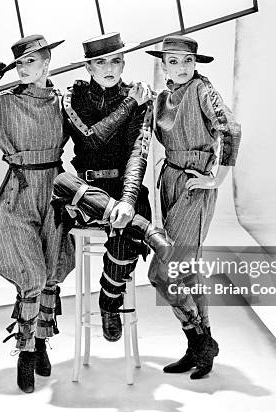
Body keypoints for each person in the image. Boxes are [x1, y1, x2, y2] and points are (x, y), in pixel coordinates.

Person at [0, 34, 74, 393]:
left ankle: (41, 342)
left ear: (47, 62)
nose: (24, 68)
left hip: (56, 187)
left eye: (31, 61)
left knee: (52, 270)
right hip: (19, 189)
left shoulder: (62, 102)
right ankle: (24, 352)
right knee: (32, 274)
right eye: (19, 63)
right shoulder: (4, 103)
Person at [51, 32, 173, 343]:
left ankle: (109, 302)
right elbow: (92, 138)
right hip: (84, 192)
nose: (109, 68)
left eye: (116, 61)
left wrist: (129, 200)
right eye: (101, 62)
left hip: (123, 190)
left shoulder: (139, 100)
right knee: (62, 181)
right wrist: (131, 102)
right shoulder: (72, 98)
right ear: (89, 67)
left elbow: (137, 153)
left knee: (123, 237)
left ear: (123, 63)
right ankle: (146, 229)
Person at [145, 35, 242, 379]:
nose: (182, 67)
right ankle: (199, 349)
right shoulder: (163, 97)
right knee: (188, 271)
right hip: (169, 180)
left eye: (188, 60)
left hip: (194, 183)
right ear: (163, 64)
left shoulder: (203, 91)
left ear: (196, 63)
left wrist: (216, 179)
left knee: (163, 270)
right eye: (173, 61)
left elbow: (230, 129)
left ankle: (200, 340)